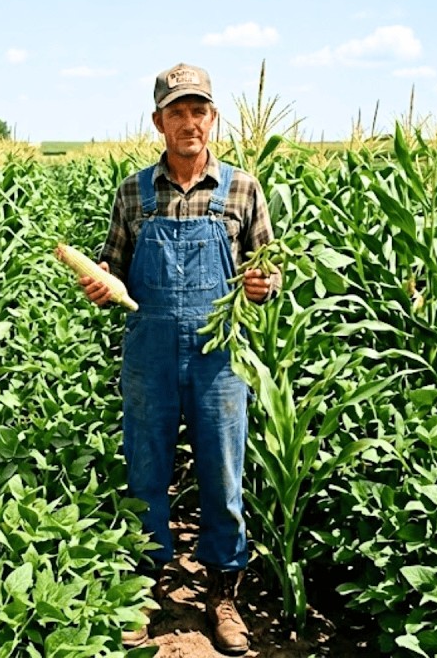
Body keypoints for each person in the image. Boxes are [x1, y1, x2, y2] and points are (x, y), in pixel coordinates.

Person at [78, 64, 280, 654]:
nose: (189, 122)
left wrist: (264, 285)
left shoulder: (243, 189)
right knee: (146, 474)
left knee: (222, 476)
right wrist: (101, 282)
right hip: (150, 357)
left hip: (220, 358)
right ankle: (145, 589)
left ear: (212, 118)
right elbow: (114, 263)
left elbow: (270, 268)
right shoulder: (133, 192)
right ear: (158, 122)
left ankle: (222, 595)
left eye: (198, 111)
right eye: (176, 113)